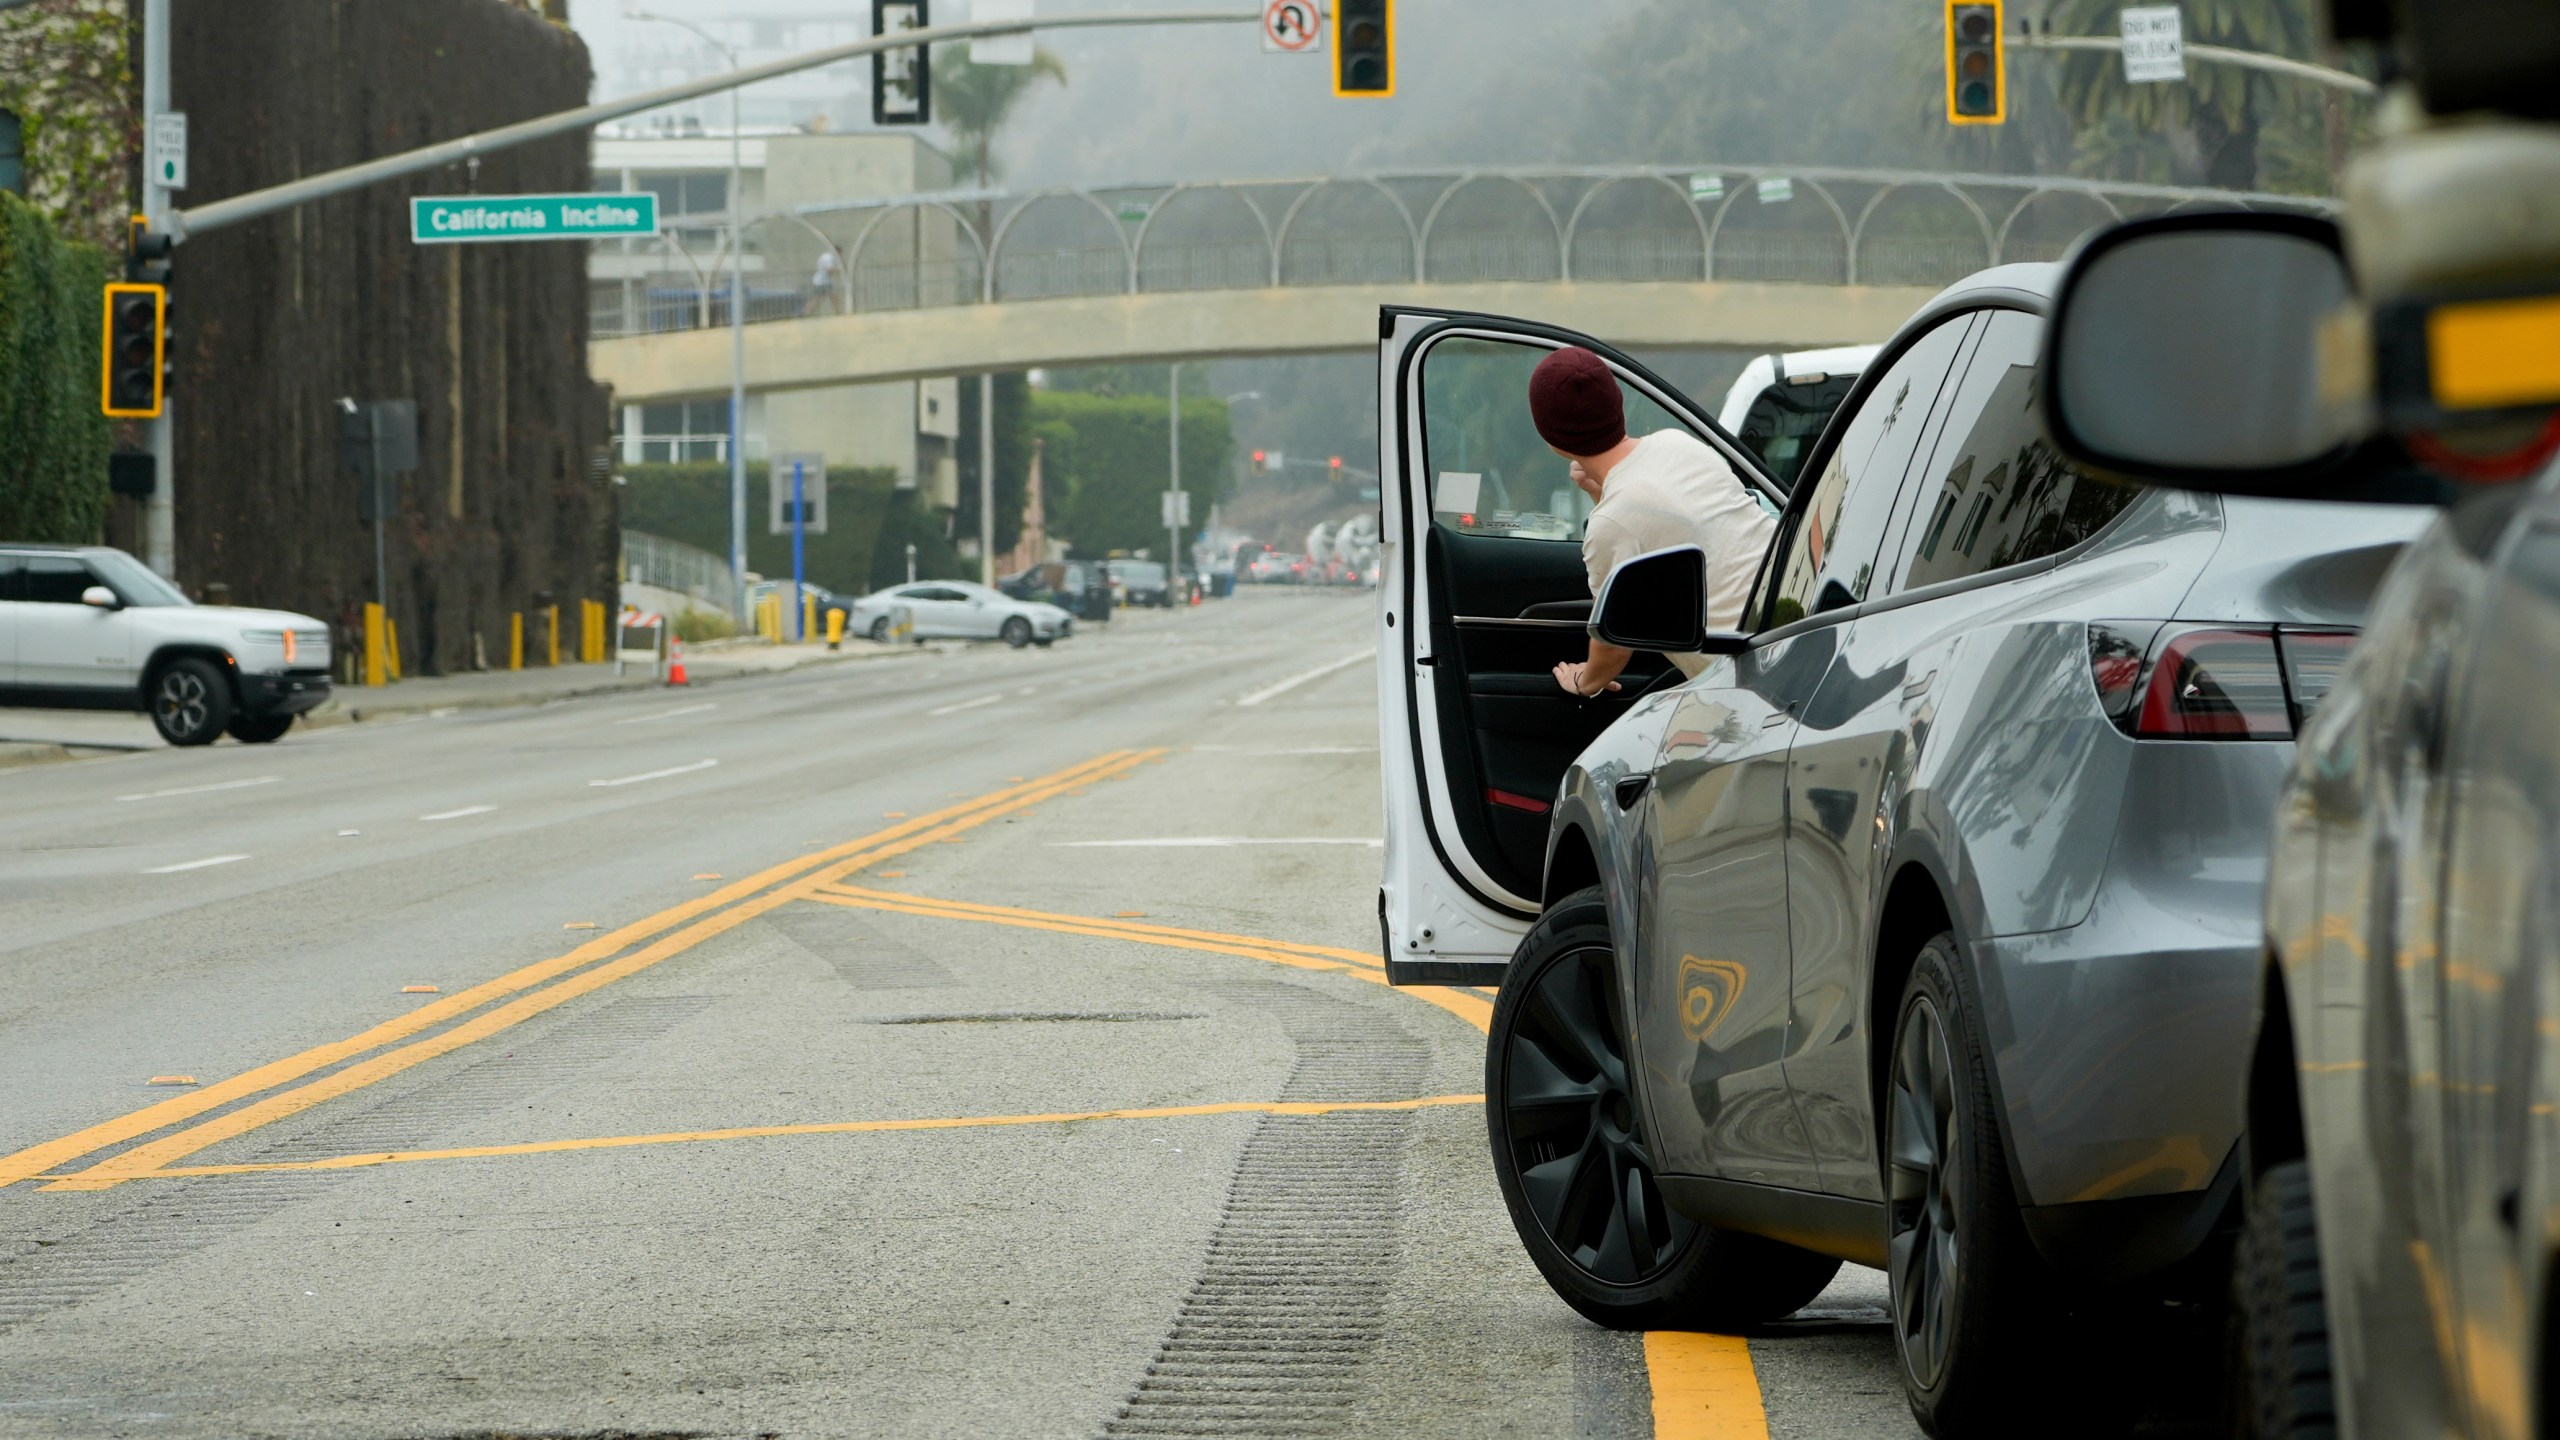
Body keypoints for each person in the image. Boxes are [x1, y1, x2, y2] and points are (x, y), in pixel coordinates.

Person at [1529, 346, 1776, 697]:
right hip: (1795, 629)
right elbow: (1648, 529)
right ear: (1617, 403)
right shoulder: (1678, 444)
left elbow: (1614, 645)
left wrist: (1585, 683)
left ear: (1550, 437)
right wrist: (1599, 493)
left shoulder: (1610, 524)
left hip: (1747, 684)